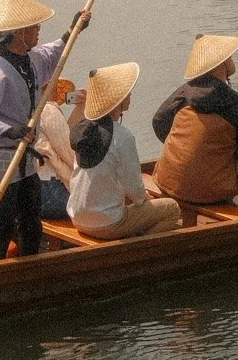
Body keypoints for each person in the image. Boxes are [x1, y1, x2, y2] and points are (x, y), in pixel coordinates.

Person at [0, 0, 89, 261]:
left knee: (31, 220)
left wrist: (73, 30)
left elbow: (53, 54)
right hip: (2, 160)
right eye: (33, 28)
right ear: (18, 33)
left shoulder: (30, 59)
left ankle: (28, 269)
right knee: (2, 228)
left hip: (26, 160)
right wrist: (9, 130)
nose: (38, 31)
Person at [151, 34, 238, 211]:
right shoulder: (233, 102)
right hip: (208, 187)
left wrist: (183, 143)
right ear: (221, 64)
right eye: (230, 57)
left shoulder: (183, 93)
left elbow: (159, 122)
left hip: (168, 180)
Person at [68, 62, 181, 240]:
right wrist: (144, 198)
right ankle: (133, 250)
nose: (129, 95)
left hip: (78, 217)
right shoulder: (122, 136)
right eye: (126, 93)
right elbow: (134, 188)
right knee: (171, 208)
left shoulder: (81, 130)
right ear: (117, 101)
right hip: (107, 223)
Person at [35, 77, 78, 222]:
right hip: (52, 194)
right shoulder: (48, 110)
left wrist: (80, 108)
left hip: (35, 194)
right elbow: (69, 153)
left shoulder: (28, 112)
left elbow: (63, 138)